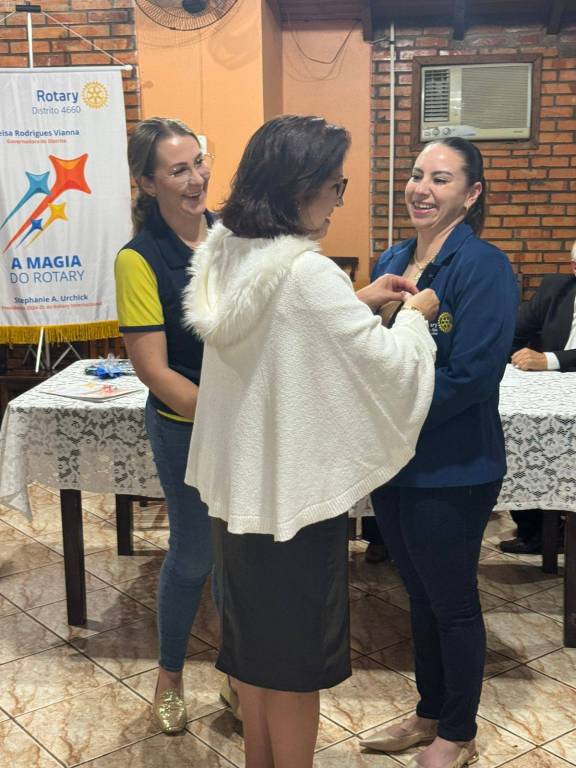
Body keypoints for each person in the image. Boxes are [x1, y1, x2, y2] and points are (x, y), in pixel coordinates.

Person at [183, 115, 439, 768]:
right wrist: (415, 319)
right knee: (294, 668)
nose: (338, 200)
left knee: (256, 659)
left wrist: (356, 300)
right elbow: (389, 368)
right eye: (335, 185)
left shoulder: (231, 254)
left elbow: (280, 333)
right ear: (300, 187)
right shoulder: (305, 273)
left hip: (239, 497)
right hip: (291, 503)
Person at [360, 137, 518, 768]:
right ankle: (429, 713)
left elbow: (473, 376)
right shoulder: (393, 259)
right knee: (418, 595)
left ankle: (458, 731)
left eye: (441, 179)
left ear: (471, 194)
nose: (421, 188)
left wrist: (394, 409)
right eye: (417, 174)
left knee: (451, 602)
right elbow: (372, 355)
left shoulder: (484, 267)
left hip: (453, 465)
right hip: (395, 461)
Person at [114, 117, 215, 733]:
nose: (196, 178)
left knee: (240, 557)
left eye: (199, 162)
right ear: (148, 183)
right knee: (196, 553)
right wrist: (229, 417)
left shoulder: (231, 236)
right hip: (186, 424)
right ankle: (170, 674)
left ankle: (238, 673)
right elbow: (154, 370)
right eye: (179, 169)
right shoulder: (139, 259)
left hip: (243, 426)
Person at [499, 240, 576, 554]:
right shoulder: (555, 289)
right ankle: (537, 531)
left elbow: (549, 360)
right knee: (518, 433)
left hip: (560, 379)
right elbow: (515, 331)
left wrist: (550, 360)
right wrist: (506, 357)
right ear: (574, 268)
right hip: (550, 392)